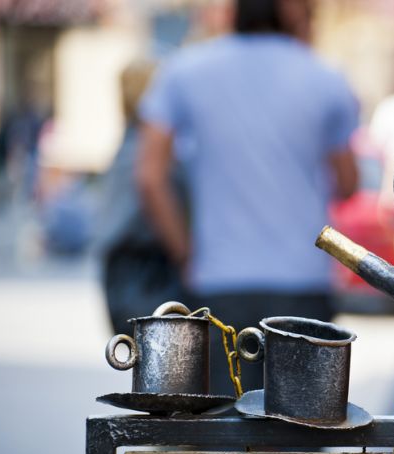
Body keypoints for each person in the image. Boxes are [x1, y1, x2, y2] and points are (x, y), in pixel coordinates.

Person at [138, 0, 359, 396]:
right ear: (289, 12)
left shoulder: (185, 71)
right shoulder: (326, 77)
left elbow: (149, 176)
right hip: (304, 282)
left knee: (226, 435)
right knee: (302, 436)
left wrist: (185, 253)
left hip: (219, 282)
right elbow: (347, 182)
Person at [98, 60, 187, 335]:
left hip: (125, 271)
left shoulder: (127, 146)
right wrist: (184, 252)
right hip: (151, 272)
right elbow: (154, 190)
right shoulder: (152, 151)